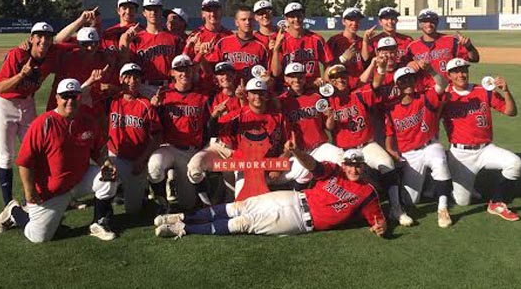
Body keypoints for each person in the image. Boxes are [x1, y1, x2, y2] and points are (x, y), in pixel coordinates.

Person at [154, 148, 386, 238]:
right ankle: (182, 216)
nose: (353, 169)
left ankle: (184, 229)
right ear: (344, 164)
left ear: (363, 167)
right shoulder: (335, 170)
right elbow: (313, 165)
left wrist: (381, 228)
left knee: (243, 223)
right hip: (294, 198)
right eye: (350, 164)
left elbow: (378, 221)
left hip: (299, 221)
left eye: (358, 165)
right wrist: (296, 151)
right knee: (239, 207)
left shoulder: (368, 193)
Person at [0, 79, 118, 242]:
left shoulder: (87, 120)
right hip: (50, 192)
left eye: (75, 96)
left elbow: (99, 150)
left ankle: (99, 223)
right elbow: (24, 162)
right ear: (57, 98)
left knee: (108, 178)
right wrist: (30, 191)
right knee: (38, 237)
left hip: (78, 180)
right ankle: (15, 211)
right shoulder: (43, 124)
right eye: (66, 96)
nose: (70, 100)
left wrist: (105, 162)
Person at [325, 62, 412, 226]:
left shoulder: (358, 93)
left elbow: (376, 84)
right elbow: (328, 127)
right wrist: (330, 117)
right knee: (343, 181)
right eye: (335, 78)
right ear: (330, 81)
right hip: (345, 150)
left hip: (366, 145)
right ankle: (350, 213)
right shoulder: (329, 99)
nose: (340, 80)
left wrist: (380, 68)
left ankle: (396, 208)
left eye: (343, 76)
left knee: (386, 164)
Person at [0, 22, 66, 206]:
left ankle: (34, 197)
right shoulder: (18, 55)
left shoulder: (51, 54)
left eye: (47, 37)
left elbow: (64, 37)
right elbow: (0, 87)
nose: (43, 40)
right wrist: (21, 75)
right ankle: (8, 204)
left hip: (27, 104)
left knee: (36, 153)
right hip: (4, 104)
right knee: (6, 156)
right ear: (31, 39)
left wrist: (81, 20)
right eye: (38, 36)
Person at [442, 58, 521, 221]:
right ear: (449, 75)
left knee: (515, 164)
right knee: (463, 202)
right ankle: (453, 174)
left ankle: (497, 202)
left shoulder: (484, 90)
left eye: (464, 70)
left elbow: (510, 111)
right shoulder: (444, 97)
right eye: (456, 71)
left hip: (486, 149)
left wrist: (506, 91)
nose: (461, 74)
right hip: (460, 153)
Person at [89, 63, 164, 215]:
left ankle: (144, 197)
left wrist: (142, 160)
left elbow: (157, 137)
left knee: (133, 211)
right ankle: (103, 215)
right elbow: (87, 101)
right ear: (120, 79)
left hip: (136, 160)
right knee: (106, 179)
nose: (132, 81)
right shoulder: (111, 101)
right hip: (114, 156)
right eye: (128, 77)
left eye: (136, 77)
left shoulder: (146, 105)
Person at [384, 66, 453, 228]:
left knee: (440, 162)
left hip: (429, 145)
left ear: (415, 81)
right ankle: (431, 184)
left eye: (410, 79)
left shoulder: (425, 97)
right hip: (410, 154)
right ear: (397, 85)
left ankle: (442, 208)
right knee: (410, 200)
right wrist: (394, 155)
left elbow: (442, 84)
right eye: (403, 80)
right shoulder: (392, 108)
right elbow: (389, 139)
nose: (407, 82)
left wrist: (430, 69)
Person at [148, 55, 211, 213]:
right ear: (172, 73)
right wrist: (153, 108)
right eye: (179, 70)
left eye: (187, 69)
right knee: (155, 165)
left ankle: (174, 177)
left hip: (190, 151)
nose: (184, 73)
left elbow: (209, 126)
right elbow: (152, 125)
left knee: (187, 204)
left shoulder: (202, 97)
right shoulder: (164, 95)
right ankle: (162, 201)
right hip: (169, 147)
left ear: (192, 71)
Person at [277, 62, 343, 189]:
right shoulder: (281, 102)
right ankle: (299, 193)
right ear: (286, 79)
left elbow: (328, 127)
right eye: (292, 76)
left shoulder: (316, 97)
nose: (296, 80)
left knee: (340, 157)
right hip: (296, 152)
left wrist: (330, 117)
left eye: (300, 76)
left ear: (305, 78)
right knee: (287, 177)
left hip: (319, 147)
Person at [186, 61, 244, 205]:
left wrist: (243, 100)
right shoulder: (212, 99)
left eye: (228, 73)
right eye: (220, 74)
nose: (225, 76)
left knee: (233, 199)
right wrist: (214, 117)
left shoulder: (247, 96)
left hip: (239, 151)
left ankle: (219, 192)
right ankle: (207, 202)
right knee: (194, 166)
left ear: (235, 75)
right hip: (218, 147)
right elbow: (209, 131)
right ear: (216, 79)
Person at [119, 0, 180, 98]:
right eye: (149, 10)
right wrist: (125, 43)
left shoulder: (174, 38)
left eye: (156, 9)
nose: (153, 13)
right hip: (144, 87)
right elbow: (126, 64)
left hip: (169, 86)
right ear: (144, 13)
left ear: (161, 12)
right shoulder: (137, 39)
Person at [271, 2, 334, 88]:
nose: (296, 19)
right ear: (286, 18)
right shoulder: (280, 39)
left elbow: (328, 64)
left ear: (304, 16)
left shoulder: (316, 39)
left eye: (299, 16)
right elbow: (275, 72)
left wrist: (324, 81)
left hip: (312, 88)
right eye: (292, 16)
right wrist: (276, 48)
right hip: (289, 90)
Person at [405, 9, 480, 79]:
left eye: (432, 21)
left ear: (437, 22)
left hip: (448, 88)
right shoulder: (412, 47)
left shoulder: (452, 40)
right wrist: (409, 65)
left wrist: (469, 47)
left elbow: (474, 59)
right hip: (426, 90)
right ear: (420, 24)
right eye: (425, 21)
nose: (429, 24)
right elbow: (405, 68)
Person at [203, 6, 269, 83]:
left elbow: (267, 76)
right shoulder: (223, 42)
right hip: (227, 89)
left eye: (250, 19)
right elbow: (210, 70)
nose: (247, 22)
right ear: (236, 22)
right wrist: (201, 55)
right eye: (243, 19)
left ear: (254, 22)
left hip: (251, 91)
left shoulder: (261, 46)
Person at [327, 7, 366, 88]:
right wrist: (343, 58)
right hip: (340, 86)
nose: (354, 23)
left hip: (359, 84)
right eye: (351, 20)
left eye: (357, 20)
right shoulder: (334, 41)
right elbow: (327, 68)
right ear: (343, 21)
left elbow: (366, 62)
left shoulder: (362, 41)